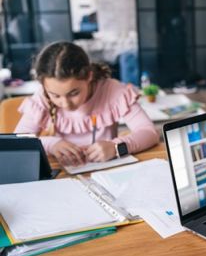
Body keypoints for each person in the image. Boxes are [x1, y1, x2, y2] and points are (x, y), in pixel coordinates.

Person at [15, 41, 159, 166]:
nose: (65, 104)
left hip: (108, 172)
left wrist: (116, 147)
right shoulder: (42, 97)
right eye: (55, 95)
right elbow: (18, 142)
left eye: (74, 93)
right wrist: (51, 144)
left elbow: (150, 132)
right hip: (64, 176)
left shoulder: (113, 91)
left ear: (89, 75)